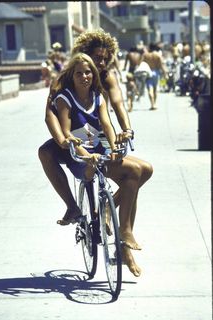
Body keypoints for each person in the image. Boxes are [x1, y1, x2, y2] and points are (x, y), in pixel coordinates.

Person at [39, 29, 153, 276]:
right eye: (96, 58)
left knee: (141, 171)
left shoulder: (105, 80)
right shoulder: (66, 78)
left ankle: (116, 229)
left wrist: (127, 130)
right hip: (70, 138)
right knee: (45, 153)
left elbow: (119, 107)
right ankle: (72, 206)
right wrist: (61, 139)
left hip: (97, 138)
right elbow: (50, 113)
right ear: (85, 55)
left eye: (105, 58)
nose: (101, 63)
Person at [141, 43, 167, 110]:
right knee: (155, 89)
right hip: (156, 72)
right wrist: (165, 74)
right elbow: (162, 65)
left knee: (150, 89)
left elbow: (141, 63)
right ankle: (154, 104)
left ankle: (152, 104)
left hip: (148, 72)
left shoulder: (145, 55)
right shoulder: (157, 55)